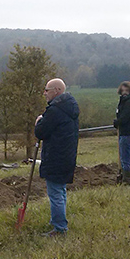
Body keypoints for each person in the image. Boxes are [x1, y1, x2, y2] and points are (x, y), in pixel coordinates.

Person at [35, 78, 79, 237]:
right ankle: (58, 221)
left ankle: (60, 228)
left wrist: (39, 122)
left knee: (55, 193)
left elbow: (40, 133)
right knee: (60, 191)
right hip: (66, 156)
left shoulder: (55, 110)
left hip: (56, 157)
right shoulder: (70, 108)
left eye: (47, 90)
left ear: (57, 91)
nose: (44, 93)